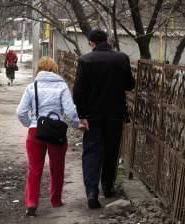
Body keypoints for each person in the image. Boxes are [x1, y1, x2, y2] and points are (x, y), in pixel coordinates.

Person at [73, 29, 135, 209]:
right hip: (115, 114)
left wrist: (82, 115)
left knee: (92, 151)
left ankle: (92, 191)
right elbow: (129, 84)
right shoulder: (121, 58)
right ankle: (107, 187)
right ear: (107, 41)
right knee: (111, 150)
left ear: (92, 42)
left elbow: (78, 92)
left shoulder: (85, 60)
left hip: (92, 116)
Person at [17, 56, 81, 217]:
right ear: (54, 69)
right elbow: (70, 110)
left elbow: (21, 112)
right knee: (57, 168)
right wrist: (76, 124)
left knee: (34, 169)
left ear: (39, 69)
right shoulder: (62, 86)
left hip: (35, 131)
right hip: (56, 132)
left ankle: (31, 203)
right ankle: (56, 200)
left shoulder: (32, 87)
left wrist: (30, 124)